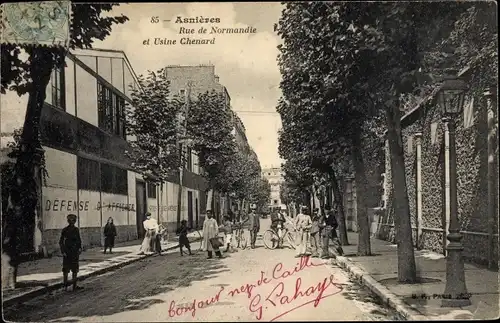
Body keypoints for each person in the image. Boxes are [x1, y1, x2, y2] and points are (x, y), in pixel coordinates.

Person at [59, 214, 82, 291]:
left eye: (73, 220)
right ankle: (65, 286)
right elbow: (61, 242)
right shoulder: (64, 230)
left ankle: (74, 286)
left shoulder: (76, 230)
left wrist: (79, 248)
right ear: (68, 221)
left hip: (74, 252)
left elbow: (78, 240)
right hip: (67, 252)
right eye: (70, 220)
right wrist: (63, 251)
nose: (72, 222)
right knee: (66, 269)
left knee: (75, 269)